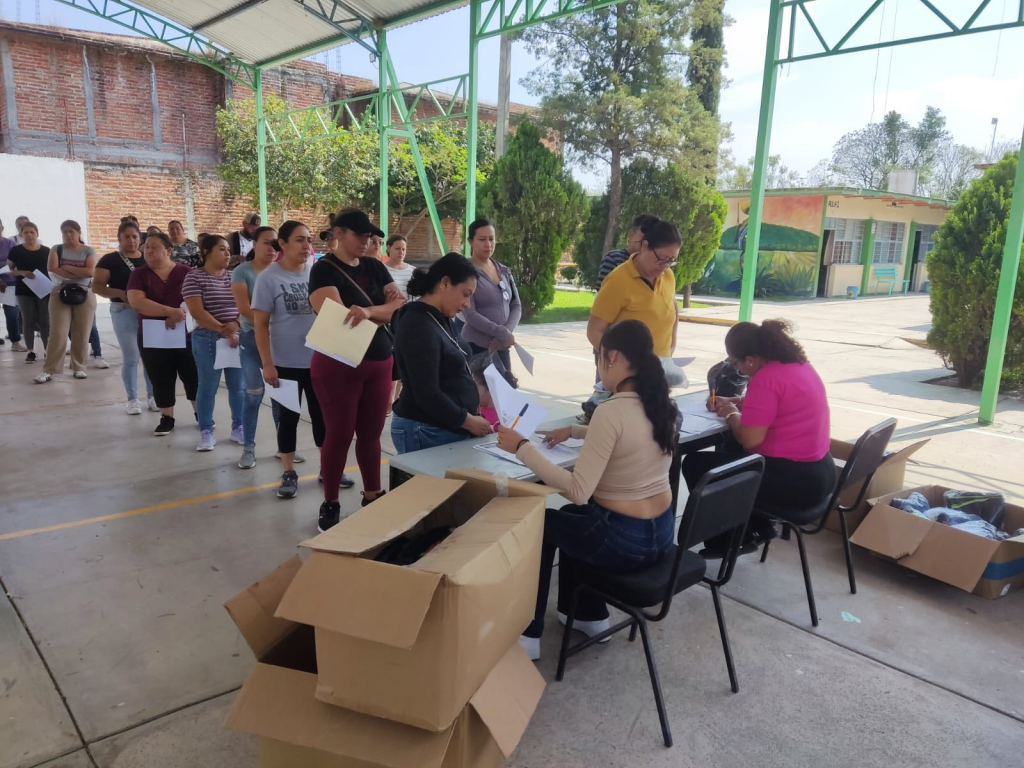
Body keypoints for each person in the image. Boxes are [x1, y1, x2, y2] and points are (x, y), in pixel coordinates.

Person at [494, 320, 679, 661]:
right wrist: (575, 431)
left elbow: (579, 490)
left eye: (598, 357)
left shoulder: (610, 410)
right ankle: (586, 614)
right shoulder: (662, 405)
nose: (598, 368)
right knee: (573, 520)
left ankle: (529, 634)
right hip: (662, 536)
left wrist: (522, 446)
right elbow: (629, 435)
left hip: (623, 541)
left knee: (547, 523)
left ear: (613, 356)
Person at [681, 319, 835, 555]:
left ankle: (729, 540)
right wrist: (738, 403)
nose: (738, 370)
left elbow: (750, 439)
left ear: (750, 359)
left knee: (697, 465)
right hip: (821, 472)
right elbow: (781, 406)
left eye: (735, 363)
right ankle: (757, 527)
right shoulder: (798, 365)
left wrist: (730, 412)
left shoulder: (766, 379)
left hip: (795, 481)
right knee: (731, 451)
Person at [309, 209, 403, 532]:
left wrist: (368, 310)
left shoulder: (376, 267)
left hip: (379, 363)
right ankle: (331, 501)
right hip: (339, 364)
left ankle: (373, 494)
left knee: (371, 435)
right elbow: (337, 317)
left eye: (370, 236)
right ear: (339, 233)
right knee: (339, 434)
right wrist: (380, 310)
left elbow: (397, 309)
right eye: (360, 235)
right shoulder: (323, 270)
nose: (367, 241)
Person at [251, 221, 324, 500]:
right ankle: (289, 471)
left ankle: (326, 468)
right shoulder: (268, 278)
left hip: (318, 360)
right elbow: (260, 325)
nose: (306, 246)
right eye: (299, 240)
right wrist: (268, 363)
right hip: (285, 364)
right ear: (281, 244)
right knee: (289, 420)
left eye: (308, 240)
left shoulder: (316, 273)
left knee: (322, 418)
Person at [391, 253, 491, 454]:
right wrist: (467, 420)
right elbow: (426, 392)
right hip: (426, 428)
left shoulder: (441, 317)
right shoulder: (417, 324)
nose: (467, 303)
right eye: (465, 293)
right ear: (445, 283)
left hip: (444, 426)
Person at [127, 232, 198, 436]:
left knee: (192, 375)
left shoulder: (186, 272)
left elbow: (197, 300)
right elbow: (137, 302)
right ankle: (167, 417)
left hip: (186, 333)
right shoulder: (139, 274)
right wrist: (169, 311)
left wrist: (179, 314)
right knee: (161, 377)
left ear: (168, 251)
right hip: (153, 335)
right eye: (146, 246)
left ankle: (201, 413)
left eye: (154, 247)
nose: (148, 250)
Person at [183, 235, 245, 452]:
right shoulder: (194, 278)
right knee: (208, 387)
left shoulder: (234, 276)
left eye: (228, 250)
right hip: (208, 338)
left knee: (238, 387)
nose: (228, 254)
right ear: (207, 251)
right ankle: (206, 431)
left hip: (235, 337)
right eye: (222, 249)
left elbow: (244, 305)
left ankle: (239, 427)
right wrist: (221, 329)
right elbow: (197, 312)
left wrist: (235, 324)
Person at [232, 226, 287, 469]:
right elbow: (244, 308)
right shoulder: (242, 272)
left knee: (281, 397)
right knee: (253, 394)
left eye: (276, 244)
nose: (272, 248)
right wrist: (270, 326)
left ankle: (284, 447)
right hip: (251, 339)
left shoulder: (282, 272)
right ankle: (249, 448)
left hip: (280, 343)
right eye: (267, 242)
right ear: (254, 244)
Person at [94, 220, 156, 414]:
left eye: (135, 237)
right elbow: (97, 286)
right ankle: (132, 398)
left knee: (151, 357)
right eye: (127, 237)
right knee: (131, 356)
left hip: (148, 311)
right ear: (119, 239)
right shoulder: (109, 260)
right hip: (123, 310)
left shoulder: (149, 258)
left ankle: (153, 395)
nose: (131, 241)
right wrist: (121, 293)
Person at [35, 220, 98, 383]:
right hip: (59, 292)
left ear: (79, 232)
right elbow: (52, 269)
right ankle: (49, 370)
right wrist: (79, 272)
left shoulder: (89, 250)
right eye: (64, 232)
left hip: (84, 293)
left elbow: (90, 271)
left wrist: (66, 267)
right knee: (58, 333)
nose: (68, 235)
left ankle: (79, 367)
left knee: (82, 332)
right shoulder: (57, 249)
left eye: (71, 231)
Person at [460, 218, 522, 378]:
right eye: (482, 239)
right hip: (477, 346)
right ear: (470, 241)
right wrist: (501, 332)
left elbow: (516, 305)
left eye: (491, 239)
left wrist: (506, 333)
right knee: (481, 398)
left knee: (506, 394)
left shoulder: (504, 271)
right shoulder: (466, 272)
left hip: (501, 346)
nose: (488, 244)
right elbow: (470, 314)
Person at [7, 222, 50, 363]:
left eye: (32, 232)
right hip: (24, 291)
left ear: (37, 233)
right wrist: (22, 272)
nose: (29, 235)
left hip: (43, 291)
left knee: (45, 321)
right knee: (28, 321)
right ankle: (31, 351)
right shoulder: (16, 251)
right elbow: (9, 270)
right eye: (26, 232)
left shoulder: (46, 251)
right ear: (21, 234)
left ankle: (47, 350)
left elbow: (52, 270)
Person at [384, 234, 415, 412]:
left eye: (403, 249)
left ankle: (397, 398)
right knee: (392, 361)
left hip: (407, 321)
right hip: (388, 322)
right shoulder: (382, 270)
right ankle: (388, 399)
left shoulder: (412, 271)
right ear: (388, 248)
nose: (401, 252)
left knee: (404, 361)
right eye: (397, 248)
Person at [595, 214, 658, 291]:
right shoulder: (614, 258)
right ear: (631, 234)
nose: (645, 247)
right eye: (642, 242)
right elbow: (603, 294)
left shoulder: (657, 265)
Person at [0, 219, 26, 352]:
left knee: (12, 313)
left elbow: (14, 261)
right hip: (1, 282)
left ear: (2, 227)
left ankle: (15, 341)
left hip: (9, 282)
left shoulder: (10, 243)